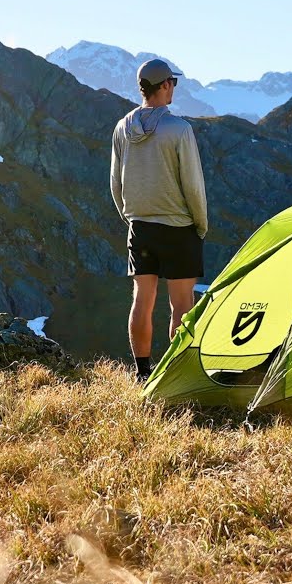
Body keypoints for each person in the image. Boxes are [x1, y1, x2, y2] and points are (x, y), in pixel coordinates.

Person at [110, 59, 208, 384]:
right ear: (164, 85)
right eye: (173, 83)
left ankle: (142, 373)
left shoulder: (122, 128)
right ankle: (176, 375)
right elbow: (192, 184)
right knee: (181, 304)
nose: (173, 89)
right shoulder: (179, 130)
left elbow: (116, 184)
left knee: (142, 300)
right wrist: (200, 223)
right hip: (178, 228)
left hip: (140, 227)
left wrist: (131, 217)